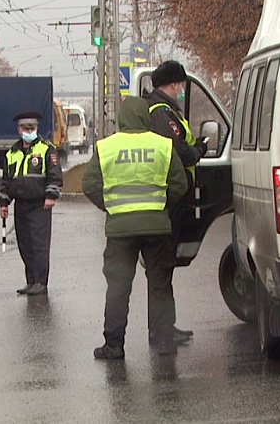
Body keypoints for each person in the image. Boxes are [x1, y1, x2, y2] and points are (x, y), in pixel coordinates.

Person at [83, 97, 188, 359]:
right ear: (146, 119)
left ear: (121, 119)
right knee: (160, 283)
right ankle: (164, 341)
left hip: (120, 231)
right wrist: (160, 205)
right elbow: (180, 184)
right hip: (156, 227)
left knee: (118, 287)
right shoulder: (162, 145)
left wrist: (111, 206)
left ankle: (114, 345)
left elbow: (90, 184)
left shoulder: (106, 147)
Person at [144, 60, 208, 344]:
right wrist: (198, 150)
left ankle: (165, 326)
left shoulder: (164, 110)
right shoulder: (161, 113)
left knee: (165, 266)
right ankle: (161, 331)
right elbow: (178, 150)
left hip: (170, 198)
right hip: (167, 200)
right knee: (161, 267)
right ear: (171, 85)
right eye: (180, 85)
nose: (182, 90)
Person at [0, 111, 63, 296]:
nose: (29, 131)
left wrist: (51, 196)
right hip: (21, 205)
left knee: (39, 245)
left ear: (37, 129)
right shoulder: (12, 153)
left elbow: (55, 175)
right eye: (25, 128)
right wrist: (4, 203)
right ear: (19, 130)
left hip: (40, 205)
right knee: (25, 244)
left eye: (32, 128)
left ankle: (41, 282)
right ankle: (31, 281)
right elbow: (7, 181)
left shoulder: (46, 149)